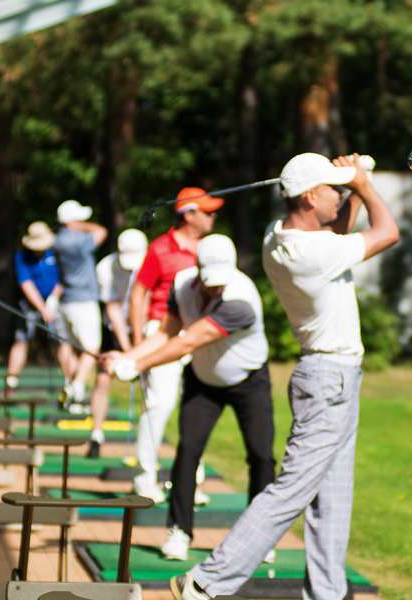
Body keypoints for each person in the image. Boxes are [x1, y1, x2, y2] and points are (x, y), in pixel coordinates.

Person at [169, 153, 399, 600]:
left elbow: (339, 228)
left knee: (332, 498)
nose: (339, 197)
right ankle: (204, 582)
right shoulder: (312, 252)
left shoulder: (282, 235)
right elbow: (387, 232)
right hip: (329, 378)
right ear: (311, 196)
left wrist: (352, 185)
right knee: (291, 491)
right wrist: (365, 183)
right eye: (332, 190)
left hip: (332, 376)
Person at [104, 235, 275, 564]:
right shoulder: (182, 284)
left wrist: (135, 365)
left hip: (248, 381)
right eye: (210, 282)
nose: (216, 289)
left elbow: (187, 342)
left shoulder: (242, 299)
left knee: (261, 456)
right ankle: (179, 531)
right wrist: (125, 356)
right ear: (196, 270)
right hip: (203, 380)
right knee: (188, 451)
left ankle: (260, 537)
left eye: (221, 281)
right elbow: (166, 333)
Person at [127, 187, 222, 502]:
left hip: (199, 335)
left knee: (195, 407)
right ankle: (144, 479)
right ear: (188, 214)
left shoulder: (210, 248)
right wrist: (139, 342)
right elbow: (139, 293)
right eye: (207, 212)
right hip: (163, 332)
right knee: (160, 405)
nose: (213, 216)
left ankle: (190, 482)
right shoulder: (159, 248)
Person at [86, 228, 148, 458]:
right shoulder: (105, 267)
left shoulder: (151, 264)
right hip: (112, 327)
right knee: (103, 378)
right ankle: (96, 434)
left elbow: (147, 302)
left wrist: (139, 343)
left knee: (147, 381)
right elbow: (112, 310)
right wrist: (128, 349)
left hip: (143, 324)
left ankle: (145, 443)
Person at [52, 200, 108, 408]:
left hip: (66, 300)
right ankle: (76, 387)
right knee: (92, 348)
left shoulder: (57, 241)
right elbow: (102, 231)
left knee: (72, 348)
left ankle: (72, 388)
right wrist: (81, 225)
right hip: (84, 301)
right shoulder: (77, 240)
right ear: (72, 221)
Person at [7, 221, 74, 392]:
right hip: (29, 305)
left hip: (56, 302)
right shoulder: (22, 257)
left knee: (62, 341)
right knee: (21, 340)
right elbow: (26, 284)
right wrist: (43, 309)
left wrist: (53, 298)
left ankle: (71, 384)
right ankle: (11, 382)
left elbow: (64, 278)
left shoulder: (56, 252)